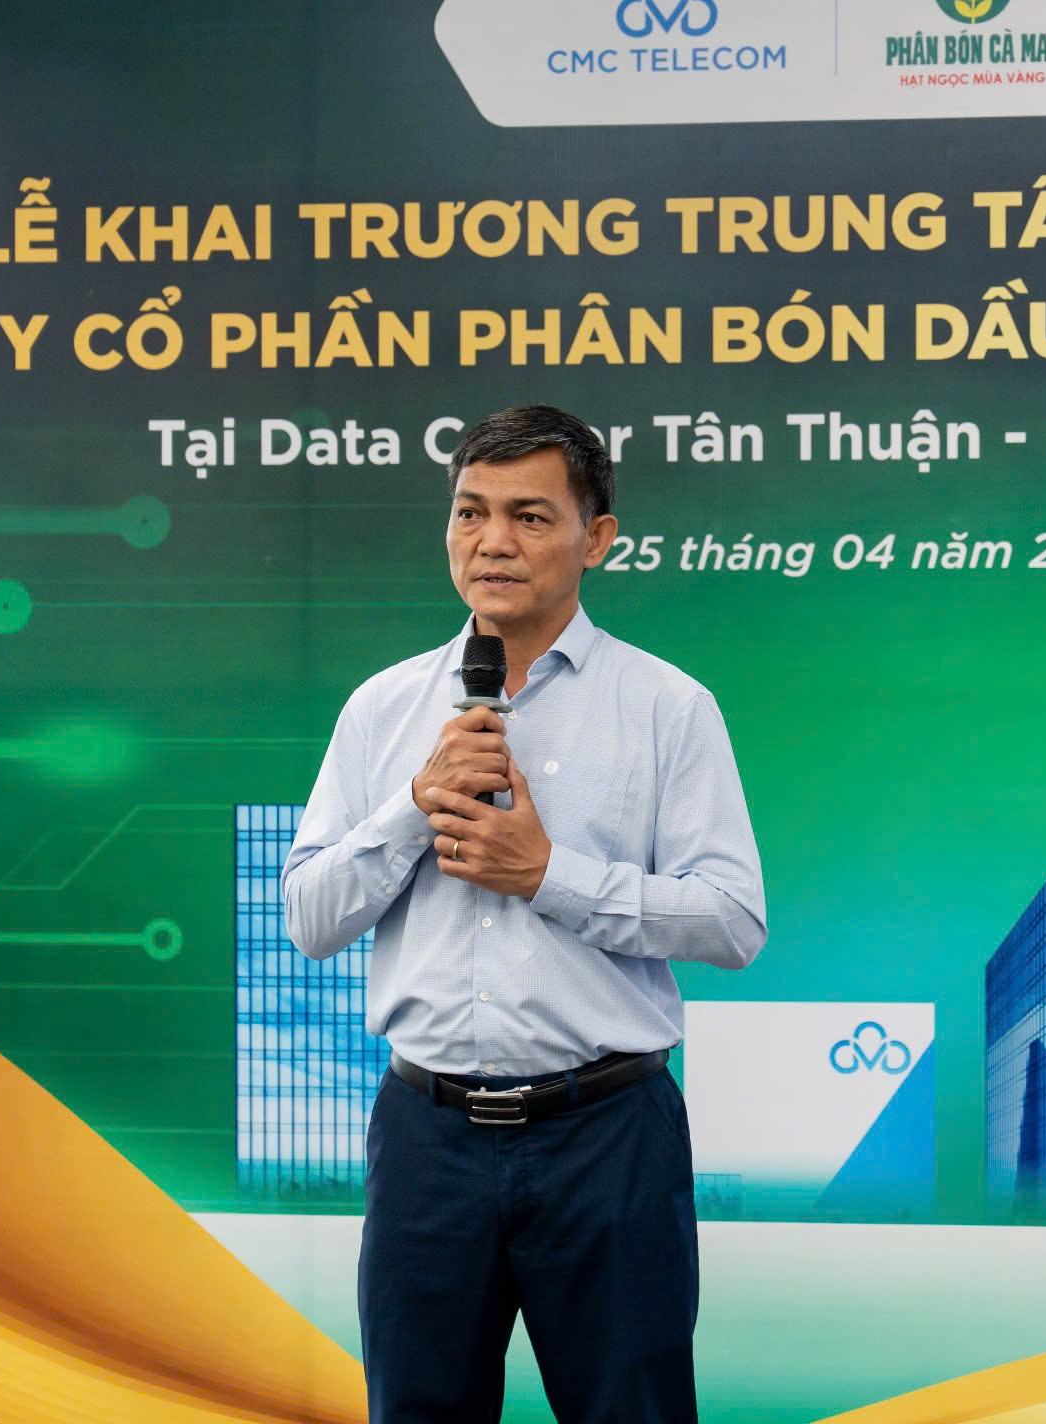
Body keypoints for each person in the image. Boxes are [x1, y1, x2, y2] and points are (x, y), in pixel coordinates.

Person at [281, 404, 766, 1424]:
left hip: (607, 1136)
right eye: (471, 512)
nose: (492, 541)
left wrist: (549, 875)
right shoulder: (383, 707)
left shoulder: (667, 706)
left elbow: (731, 921)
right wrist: (413, 808)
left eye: (529, 516)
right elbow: (311, 919)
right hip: (426, 1138)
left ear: (596, 538)